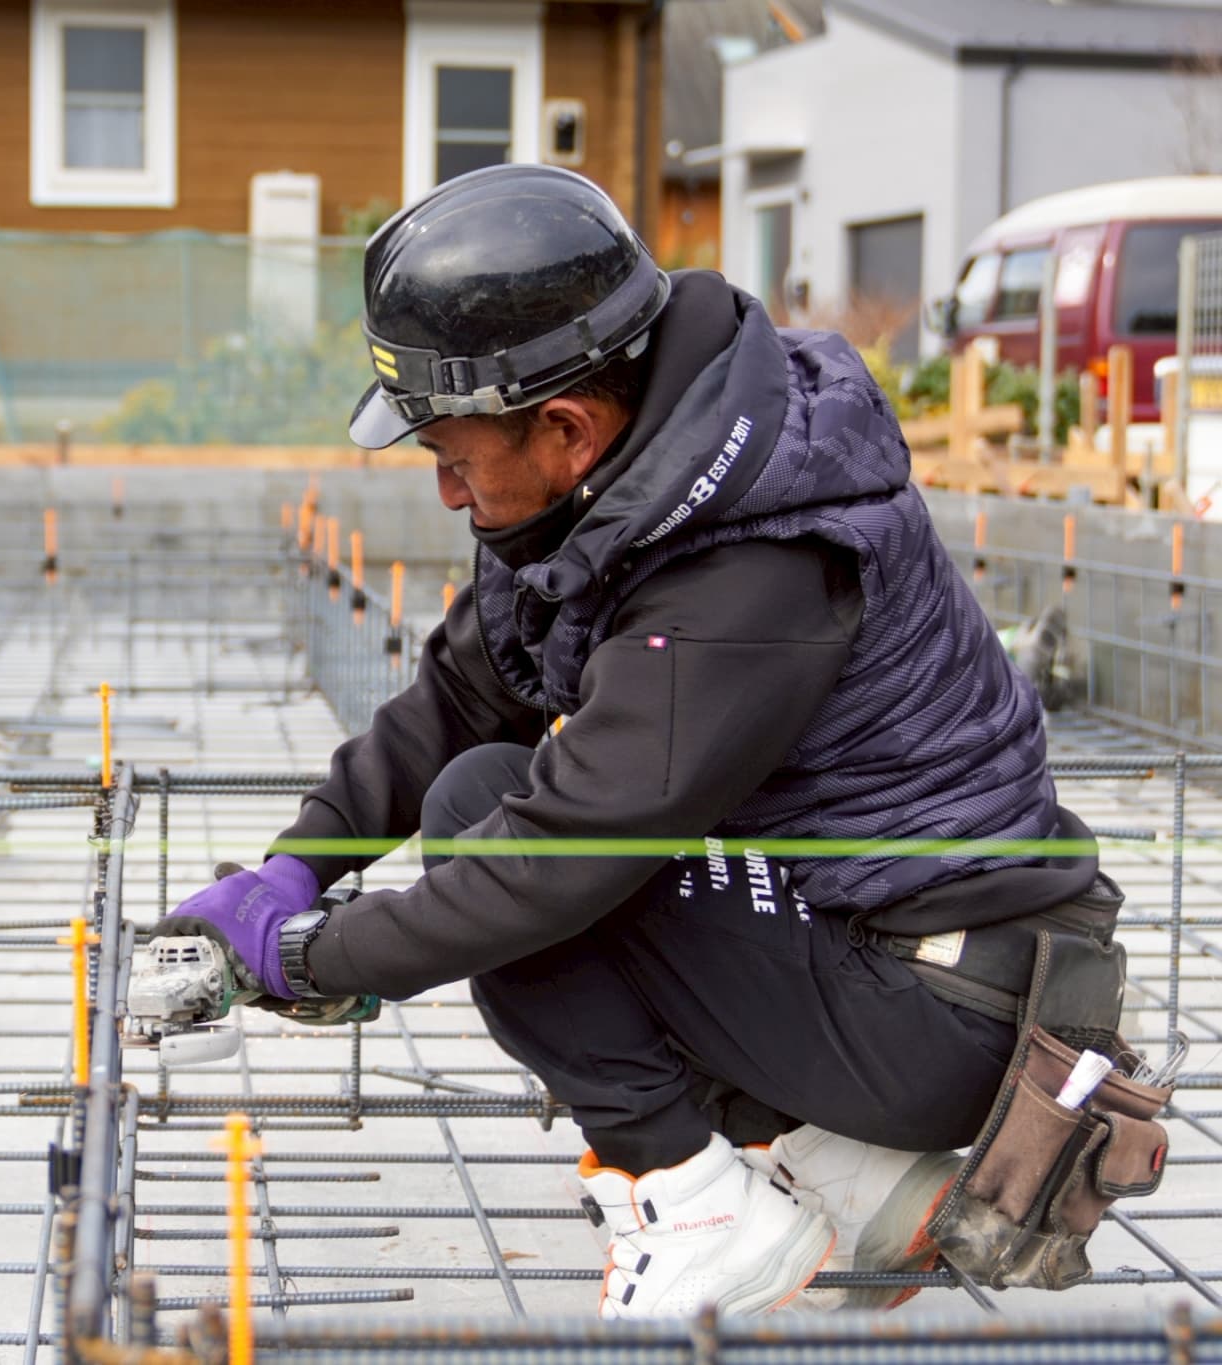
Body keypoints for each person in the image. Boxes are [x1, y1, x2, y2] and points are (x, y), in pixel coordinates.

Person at [158, 165, 1114, 1318]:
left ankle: (695, 1201)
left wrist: (307, 958)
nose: (448, 493)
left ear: (564, 428)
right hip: (874, 940)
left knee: (507, 849)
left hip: (946, 1009)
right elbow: (461, 697)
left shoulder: (747, 565)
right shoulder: (622, 487)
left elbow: (556, 857)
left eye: (452, 458)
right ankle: (831, 1168)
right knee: (482, 787)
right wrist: (294, 868)